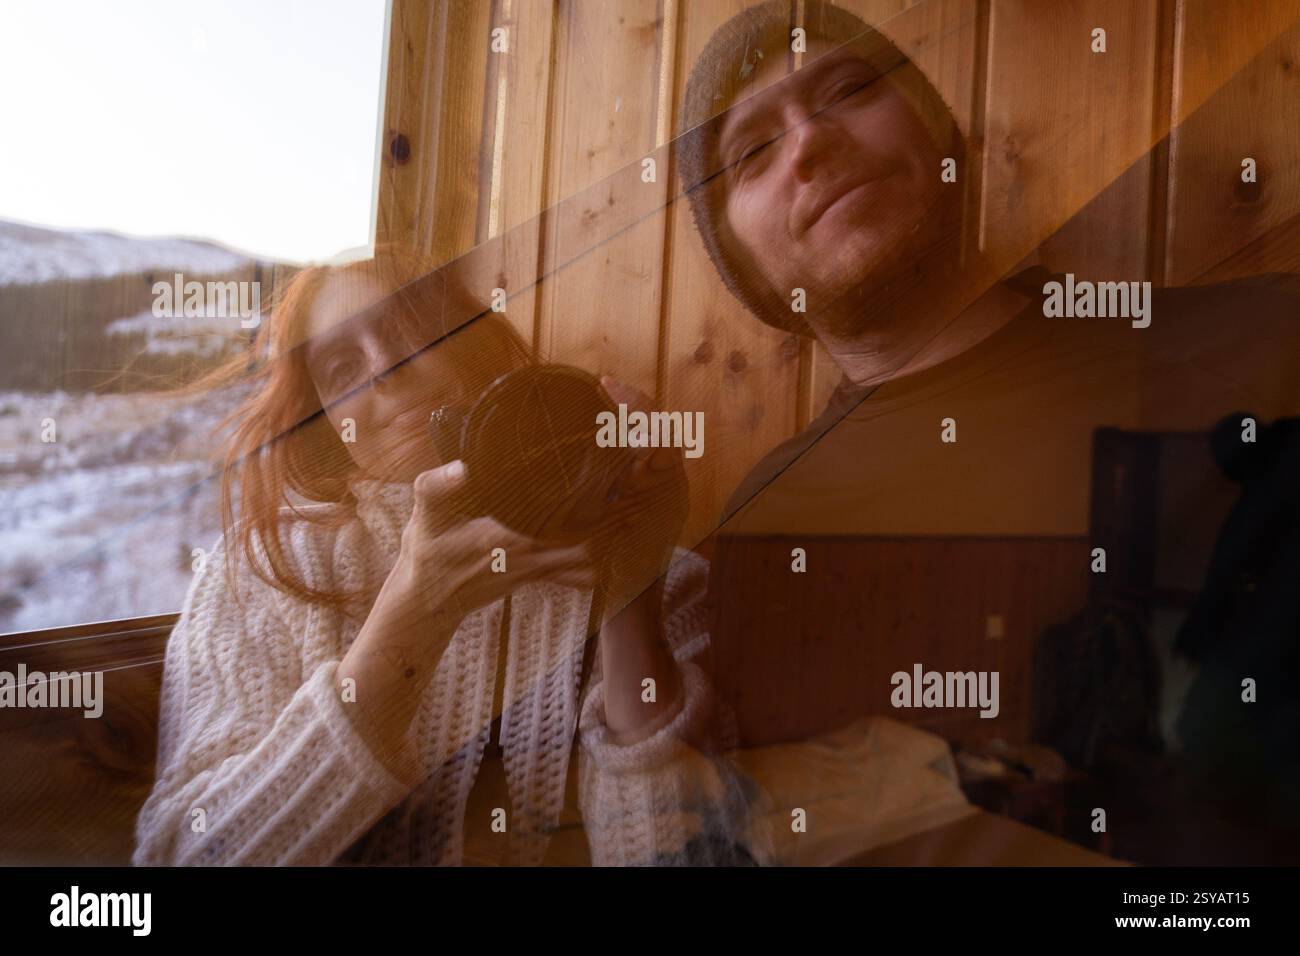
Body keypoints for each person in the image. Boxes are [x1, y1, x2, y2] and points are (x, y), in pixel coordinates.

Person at [675, 0, 1300, 854]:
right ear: (740, 269)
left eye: (850, 87)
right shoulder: (758, 534)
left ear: (939, 138)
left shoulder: (1269, 347)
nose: (809, 142)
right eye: (751, 151)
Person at [131, 245, 770, 866]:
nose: (385, 369)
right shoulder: (264, 577)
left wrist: (633, 586)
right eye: (342, 369)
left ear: (477, 350)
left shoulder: (671, 579)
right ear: (326, 422)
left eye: (413, 330)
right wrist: (416, 614)